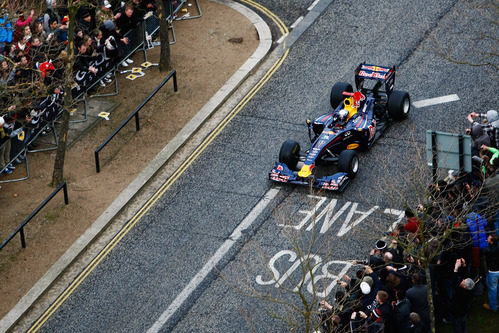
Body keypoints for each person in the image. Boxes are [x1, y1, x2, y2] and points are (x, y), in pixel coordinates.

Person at [450, 258, 475, 333]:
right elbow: (466, 276)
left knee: (458, 328)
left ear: (464, 287)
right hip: (464, 312)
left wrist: (456, 268)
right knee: (464, 325)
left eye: (464, 281)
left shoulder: (460, 292)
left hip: (457, 313)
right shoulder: (469, 289)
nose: (463, 280)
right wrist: (464, 266)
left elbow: (453, 282)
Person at [482, 234, 499, 312]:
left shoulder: (488, 250)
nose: (487, 239)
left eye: (488, 239)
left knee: (493, 290)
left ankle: (493, 307)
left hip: (493, 272)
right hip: (497, 271)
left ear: (491, 242)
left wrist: (485, 242)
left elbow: (482, 250)